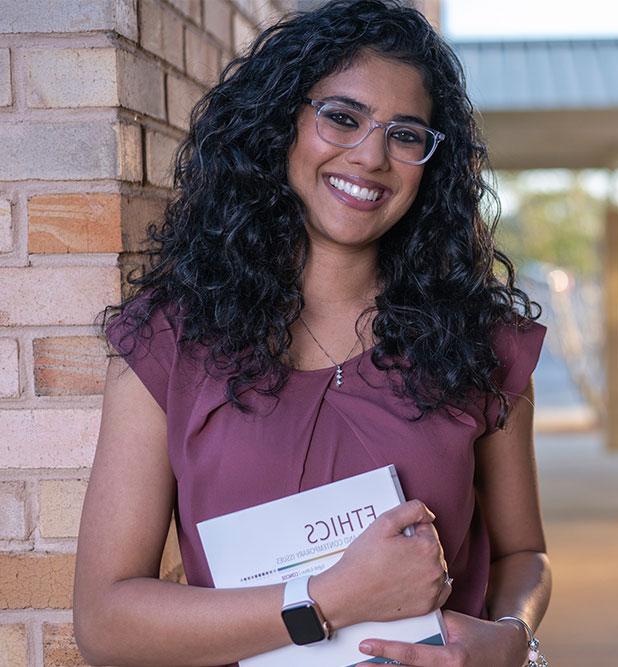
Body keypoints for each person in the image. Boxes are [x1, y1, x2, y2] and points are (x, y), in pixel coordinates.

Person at [72, 1, 551, 665]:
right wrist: (328, 596)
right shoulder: (170, 342)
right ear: (283, 122)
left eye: (407, 134)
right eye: (342, 117)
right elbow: (104, 621)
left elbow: (523, 553)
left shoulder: (478, 342)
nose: (372, 156)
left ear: (430, 162)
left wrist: (512, 637)